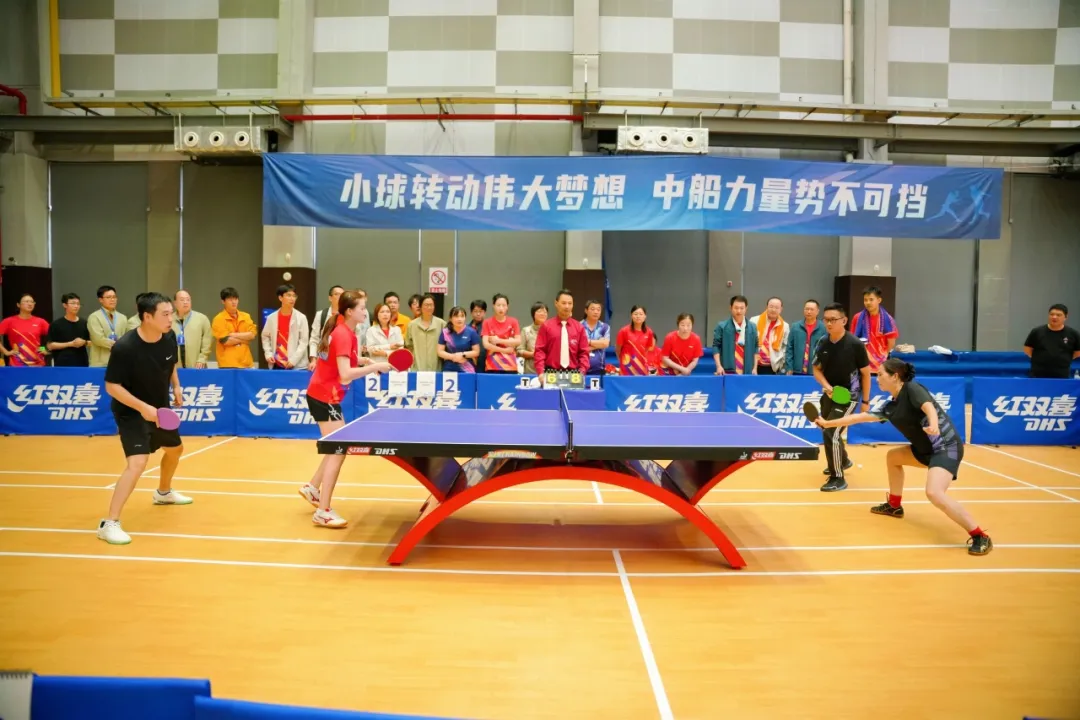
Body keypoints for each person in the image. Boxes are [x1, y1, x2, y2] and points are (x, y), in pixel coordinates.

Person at [813, 358, 992, 556]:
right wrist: (828, 424)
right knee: (893, 457)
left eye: (881, 374)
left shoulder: (912, 389)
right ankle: (894, 506)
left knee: (934, 493)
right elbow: (859, 417)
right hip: (924, 450)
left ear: (895, 376)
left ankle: (980, 535)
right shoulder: (891, 407)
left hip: (945, 447)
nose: (877, 378)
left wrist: (933, 424)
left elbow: (929, 407)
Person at [97, 292, 190, 545]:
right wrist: (142, 407)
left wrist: (176, 386)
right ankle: (110, 523)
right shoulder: (125, 347)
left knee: (175, 450)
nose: (171, 318)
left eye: (171, 313)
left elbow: (170, 364)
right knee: (138, 463)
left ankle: (163, 493)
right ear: (147, 317)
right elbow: (112, 386)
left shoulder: (169, 336)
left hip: (159, 409)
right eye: (165, 314)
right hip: (131, 411)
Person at [297, 291, 391, 527]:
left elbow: (343, 359)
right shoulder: (342, 334)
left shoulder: (345, 330)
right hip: (324, 396)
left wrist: (364, 361)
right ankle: (323, 511)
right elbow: (346, 374)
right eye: (362, 308)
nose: (365, 312)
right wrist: (375, 367)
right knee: (338, 450)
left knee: (335, 448)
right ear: (349, 311)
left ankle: (312, 488)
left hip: (325, 395)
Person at [812, 302, 871, 492]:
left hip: (849, 396)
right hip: (830, 394)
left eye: (833, 320)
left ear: (844, 321)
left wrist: (865, 401)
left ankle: (837, 477)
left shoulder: (855, 345)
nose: (829, 323)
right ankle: (843, 460)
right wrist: (827, 387)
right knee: (827, 429)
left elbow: (866, 374)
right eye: (826, 320)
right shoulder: (823, 342)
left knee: (831, 432)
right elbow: (816, 369)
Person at [533, 289, 590, 377]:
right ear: (556, 303)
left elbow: (584, 353)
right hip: (550, 373)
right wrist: (540, 372)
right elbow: (540, 351)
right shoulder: (546, 326)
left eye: (570, 303)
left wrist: (582, 371)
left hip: (574, 374)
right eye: (564, 303)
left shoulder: (579, 327)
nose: (567, 306)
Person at [260, 283, 309, 370]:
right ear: (280, 298)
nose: (292, 298)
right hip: (277, 363)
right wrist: (268, 354)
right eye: (288, 295)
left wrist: (293, 360)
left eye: (294, 296)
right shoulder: (271, 318)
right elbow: (265, 336)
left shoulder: (301, 318)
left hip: (297, 365)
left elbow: (304, 342)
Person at [1023, 304, 1080, 379]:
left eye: (1058, 315)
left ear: (1065, 317)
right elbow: (1027, 349)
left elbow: (1078, 352)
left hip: (1062, 374)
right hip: (1038, 373)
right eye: (1052, 314)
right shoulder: (1037, 332)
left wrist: (1064, 358)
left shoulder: (1073, 334)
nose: (1054, 317)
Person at [850, 286, 899, 373]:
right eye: (865, 300)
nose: (868, 302)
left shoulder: (888, 319)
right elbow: (853, 340)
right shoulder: (857, 317)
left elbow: (891, 343)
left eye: (871, 299)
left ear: (879, 300)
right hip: (861, 363)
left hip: (881, 364)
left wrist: (881, 356)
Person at [712, 295, 758, 375]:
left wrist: (755, 368)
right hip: (727, 371)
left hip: (747, 371)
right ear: (731, 308)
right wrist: (719, 366)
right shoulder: (722, 326)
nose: (739, 311)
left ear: (746, 308)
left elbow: (756, 347)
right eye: (736, 308)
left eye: (742, 308)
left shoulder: (752, 327)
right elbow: (716, 347)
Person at [0, 294, 51, 367]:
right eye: (26, 301)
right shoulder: (9, 321)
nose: (30, 304)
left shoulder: (40, 321)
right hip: (17, 364)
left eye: (32, 302)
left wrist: (45, 349)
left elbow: (54, 336)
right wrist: (6, 352)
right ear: (18, 305)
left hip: (38, 364)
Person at [46, 293, 90, 367]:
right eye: (73, 303)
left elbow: (92, 342)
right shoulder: (56, 324)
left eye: (78, 304)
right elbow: (50, 346)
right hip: (62, 364)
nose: (76, 306)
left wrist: (84, 342)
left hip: (82, 363)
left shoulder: (84, 323)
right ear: (65, 305)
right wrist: (70, 344)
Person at [749, 297, 790, 375]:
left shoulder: (785, 326)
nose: (773, 310)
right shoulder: (754, 321)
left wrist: (781, 363)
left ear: (781, 309)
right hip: (754, 365)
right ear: (767, 307)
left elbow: (786, 347)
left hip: (772, 367)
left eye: (776, 307)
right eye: (771, 306)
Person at [482, 293, 521, 373]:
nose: (501, 308)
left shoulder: (513, 321)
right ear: (493, 306)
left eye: (504, 305)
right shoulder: (487, 322)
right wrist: (506, 349)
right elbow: (486, 344)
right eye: (498, 305)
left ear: (507, 307)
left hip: (510, 365)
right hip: (492, 364)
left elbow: (518, 341)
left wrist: (498, 341)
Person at [785, 299, 826, 376]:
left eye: (812, 309)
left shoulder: (824, 328)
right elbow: (789, 348)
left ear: (817, 311)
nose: (809, 312)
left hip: (816, 370)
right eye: (807, 309)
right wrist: (789, 367)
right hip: (797, 370)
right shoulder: (795, 326)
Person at [615, 305, 657, 375]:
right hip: (626, 367)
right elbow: (618, 349)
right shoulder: (623, 331)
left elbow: (646, 349)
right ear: (631, 316)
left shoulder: (649, 332)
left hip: (642, 367)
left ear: (645, 316)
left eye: (641, 314)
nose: (638, 316)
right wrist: (623, 361)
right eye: (635, 314)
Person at [438, 306, 481, 372]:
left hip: (467, 368)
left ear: (465, 318)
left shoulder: (471, 332)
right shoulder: (445, 332)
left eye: (462, 316)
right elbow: (440, 351)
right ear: (450, 318)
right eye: (456, 316)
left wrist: (462, 355)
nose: (459, 319)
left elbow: (476, 352)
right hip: (449, 368)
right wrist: (453, 357)